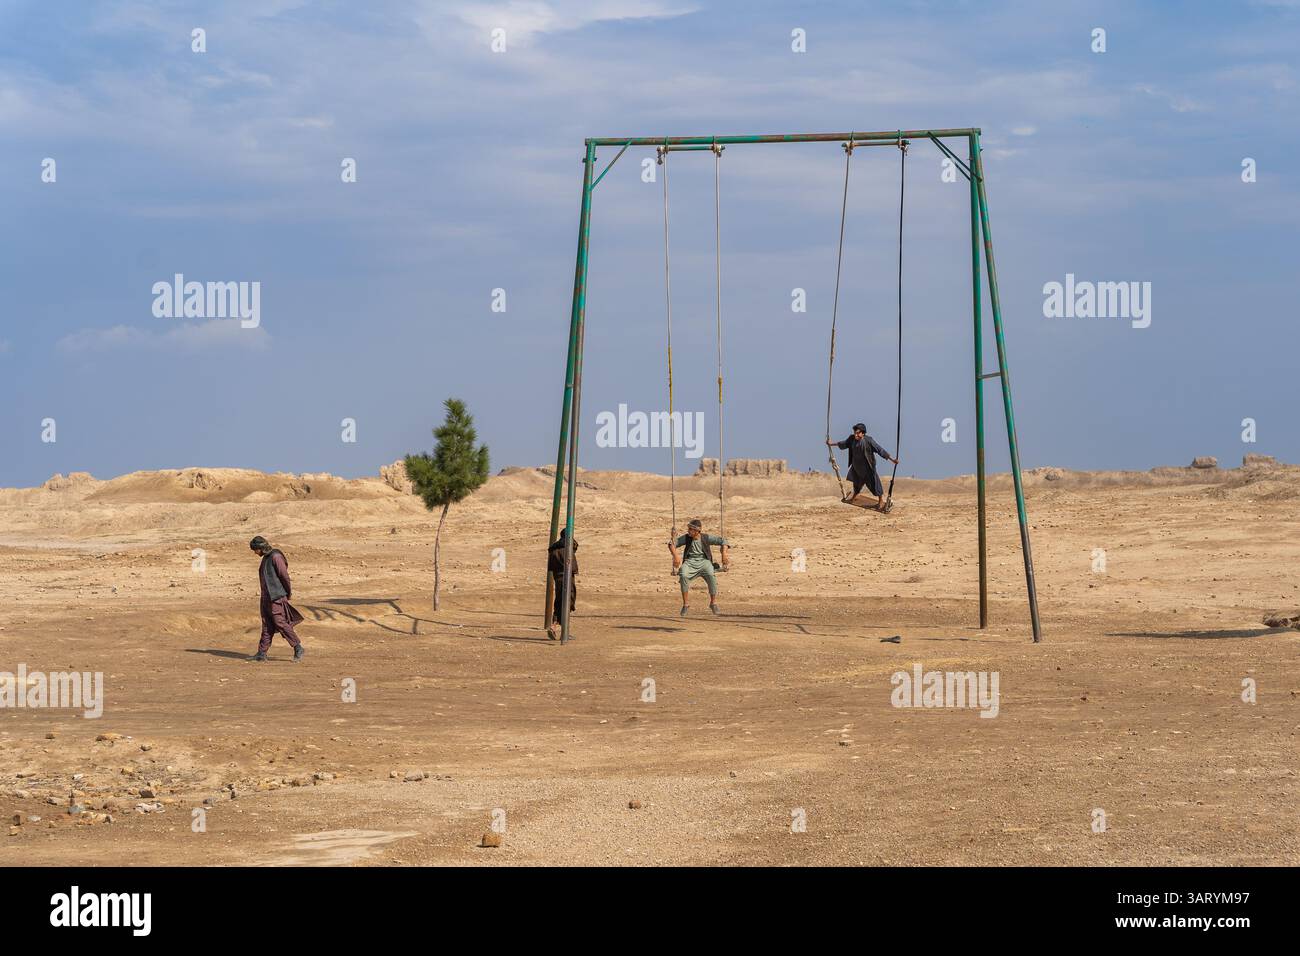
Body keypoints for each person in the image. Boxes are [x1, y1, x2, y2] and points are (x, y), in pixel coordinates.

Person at [248, 536, 305, 662]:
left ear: (261, 548)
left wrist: (287, 593)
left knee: (280, 622)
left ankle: (298, 647)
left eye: (256, 550)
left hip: (276, 597)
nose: (255, 552)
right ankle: (261, 653)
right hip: (266, 598)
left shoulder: (276, 556)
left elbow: (284, 576)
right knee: (267, 625)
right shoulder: (266, 558)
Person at [827, 422, 898, 511]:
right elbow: (843, 444)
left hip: (868, 468)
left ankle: (880, 501)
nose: (855, 434)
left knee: (875, 485)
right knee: (856, 484)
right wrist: (831, 444)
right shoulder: (851, 439)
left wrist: (892, 460)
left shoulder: (869, 441)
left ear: (863, 433)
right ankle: (854, 497)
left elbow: (880, 450)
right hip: (857, 467)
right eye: (855, 432)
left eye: (857, 433)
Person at [668, 518, 729, 616]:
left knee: (710, 574)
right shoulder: (687, 538)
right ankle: (685, 604)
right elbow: (672, 544)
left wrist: (724, 553)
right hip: (690, 561)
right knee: (683, 574)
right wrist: (675, 556)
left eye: (690, 529)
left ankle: (713, 603)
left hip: (704, 561)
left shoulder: (705, 538)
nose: (688, 531)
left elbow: (723, 541)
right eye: (688, 529)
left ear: (697, 531)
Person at [546, 527, 578, 640]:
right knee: (568, 602)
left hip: (558, 579)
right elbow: (575, 547)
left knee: (559, 601)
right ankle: (560, 629)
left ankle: (555, 626)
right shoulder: (568, 548)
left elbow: (551, 567)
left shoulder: (554, 549)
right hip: (567, 578)